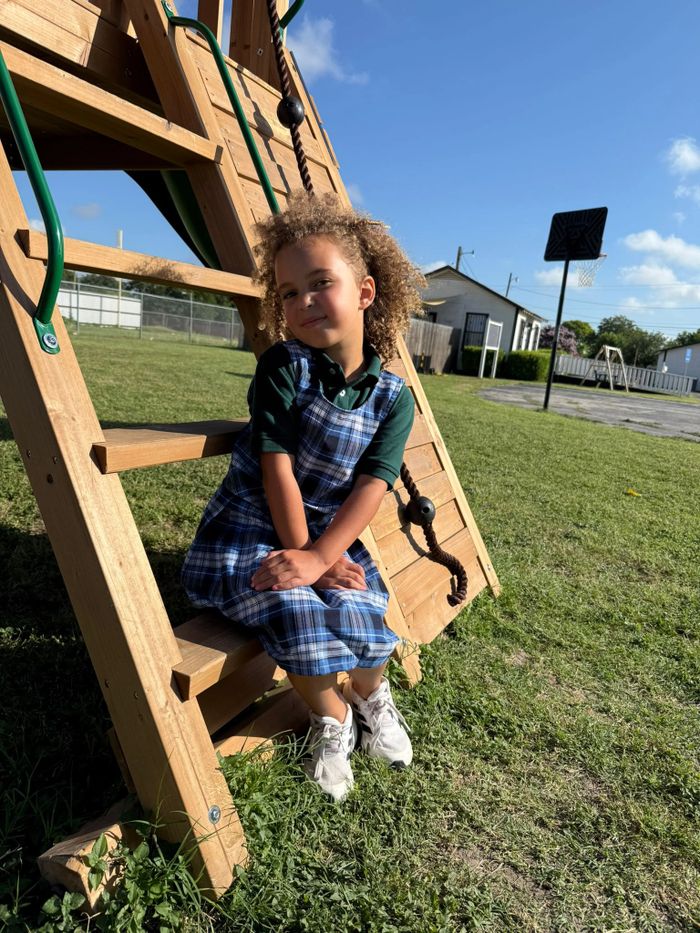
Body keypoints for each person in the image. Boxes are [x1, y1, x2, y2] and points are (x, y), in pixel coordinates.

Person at [182, 192, 425, 801]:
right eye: (288, 293)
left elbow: (372, 486)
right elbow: (277, 469)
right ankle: (332, 718)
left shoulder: (393, 397)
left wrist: (325, 556)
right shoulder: (284, 367)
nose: (304, 302)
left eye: (321, 283)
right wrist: (307, 560)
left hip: (330, 533)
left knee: (360, 601)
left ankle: (370, 696)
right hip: (253, 526)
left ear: (365, 292)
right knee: (295, 604)